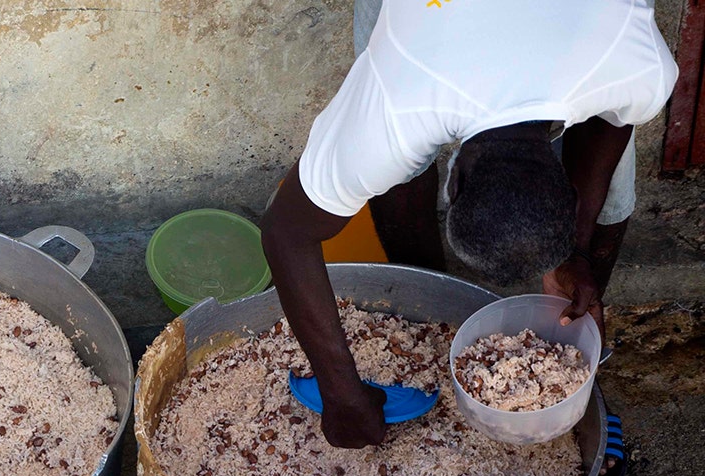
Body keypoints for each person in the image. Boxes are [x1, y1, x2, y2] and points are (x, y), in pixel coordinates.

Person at [260, 0, 678, 449]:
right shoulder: (394, 109)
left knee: (613, 187)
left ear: (455, 181)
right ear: (452, 179)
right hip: (432, 24)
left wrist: (575, 252)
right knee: (393, 172)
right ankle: (427, 318)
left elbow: (610, 121)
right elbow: (286, 233)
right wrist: (340, 392)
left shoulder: (638, 69)